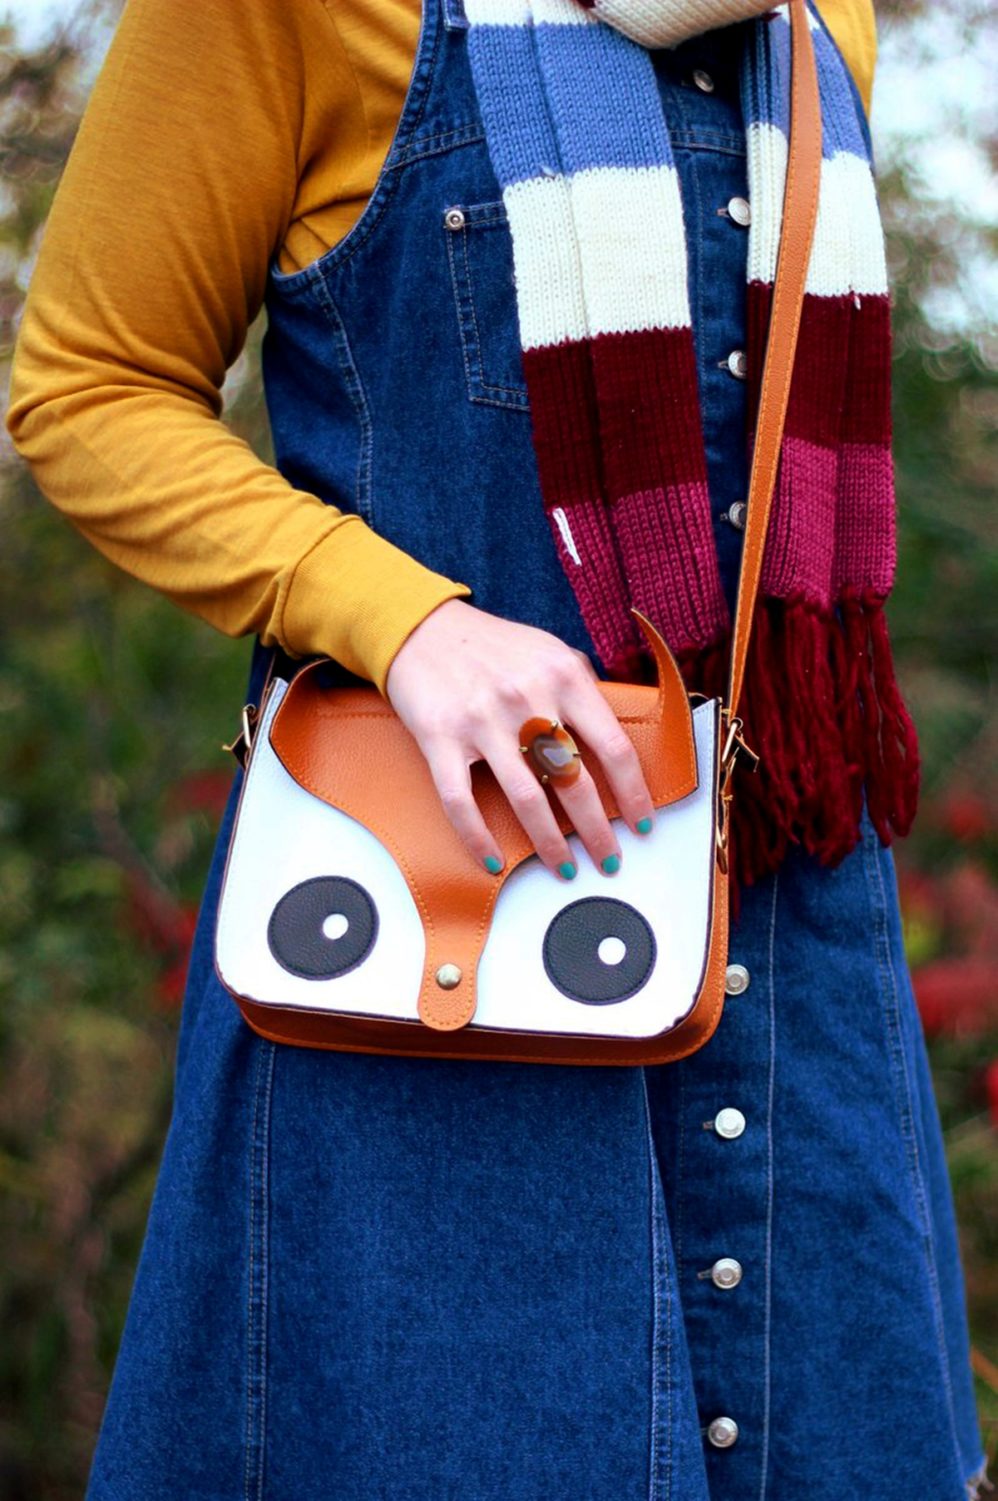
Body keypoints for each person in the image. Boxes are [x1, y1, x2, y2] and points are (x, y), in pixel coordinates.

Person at [6, 0, 990, 1495]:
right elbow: (84, 388)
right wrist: (402, 623)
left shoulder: (816, 17)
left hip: (791, 957)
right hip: (436, 944)